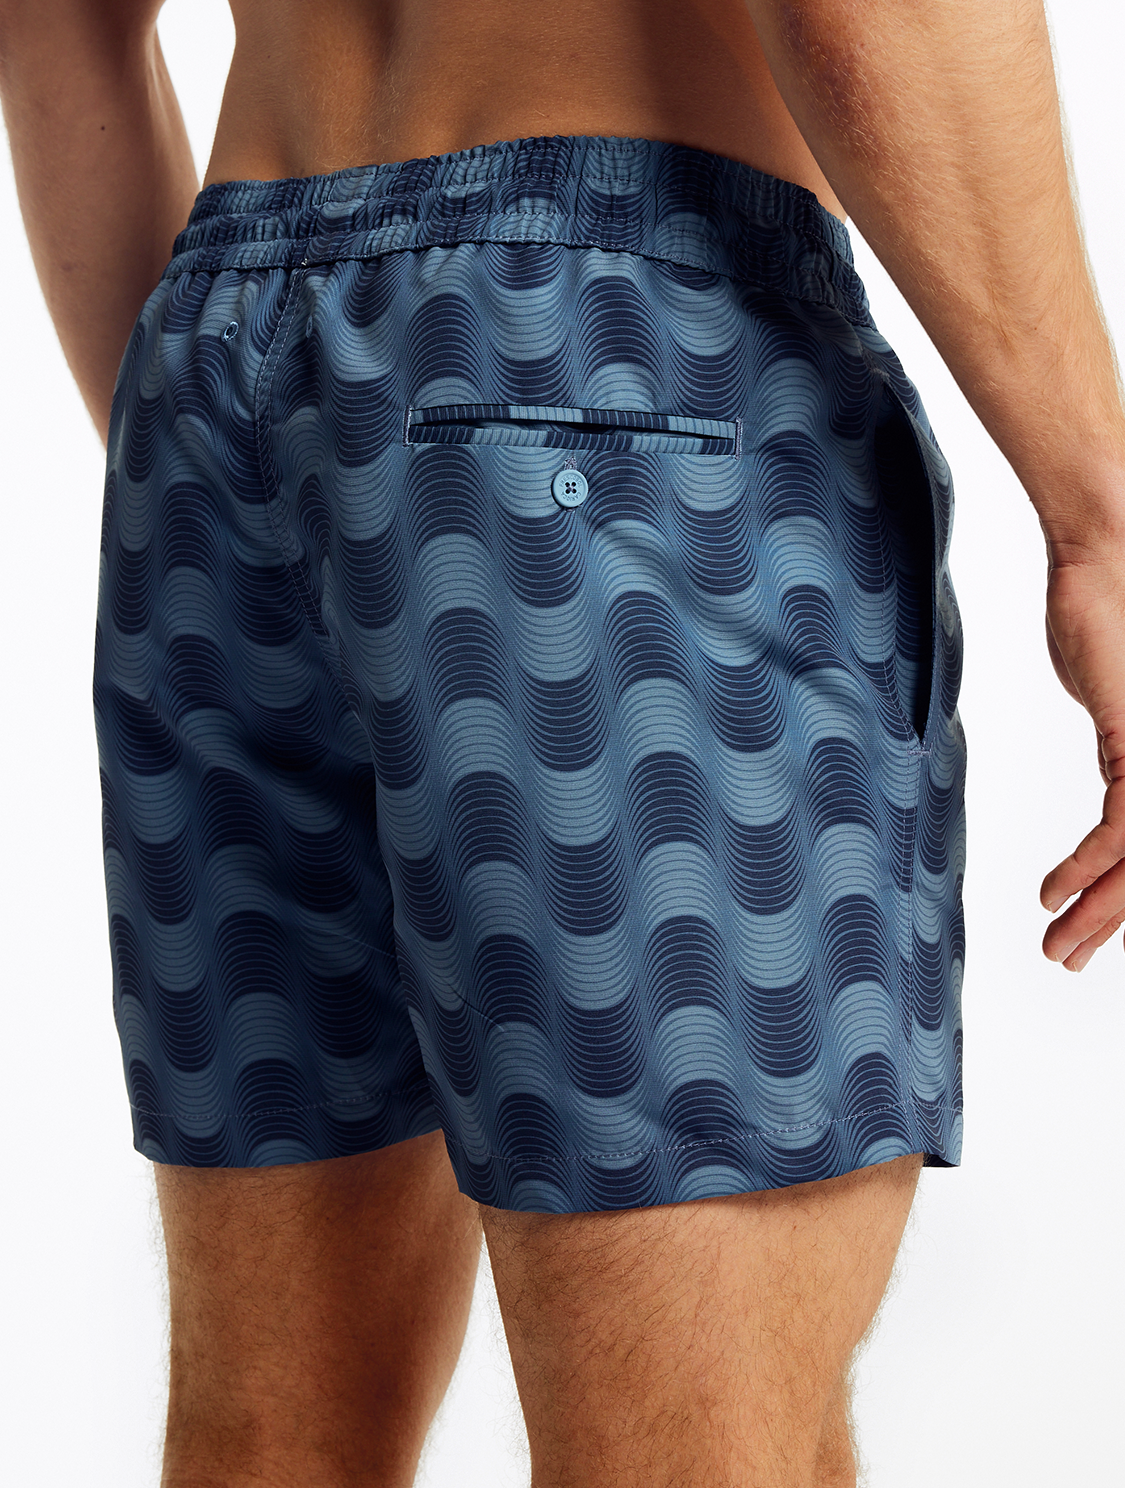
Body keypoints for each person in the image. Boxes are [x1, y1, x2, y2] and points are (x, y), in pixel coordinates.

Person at [2, 1, 1123, 1484]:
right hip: (597, 363)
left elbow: (54, 27)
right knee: (688, 1456)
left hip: (214, 371)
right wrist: (1102, 518)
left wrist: (291, 502)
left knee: (269, 1443)